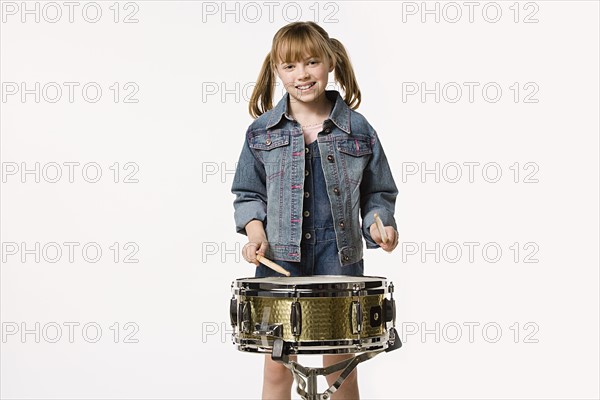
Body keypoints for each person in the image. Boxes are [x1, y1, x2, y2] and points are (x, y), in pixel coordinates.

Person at [231, 21, 399, 400]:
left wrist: (380, 227)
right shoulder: (261, 132)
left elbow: (379, 194)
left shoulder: (357, 129)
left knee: (339, 370)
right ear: (277, 70)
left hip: (338, 261)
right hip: (279, 261)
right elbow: (247, 193)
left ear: (330, 62)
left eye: (311, 63)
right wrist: (255, 234)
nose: (302, 75)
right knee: (276, 371)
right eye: (290, 66)